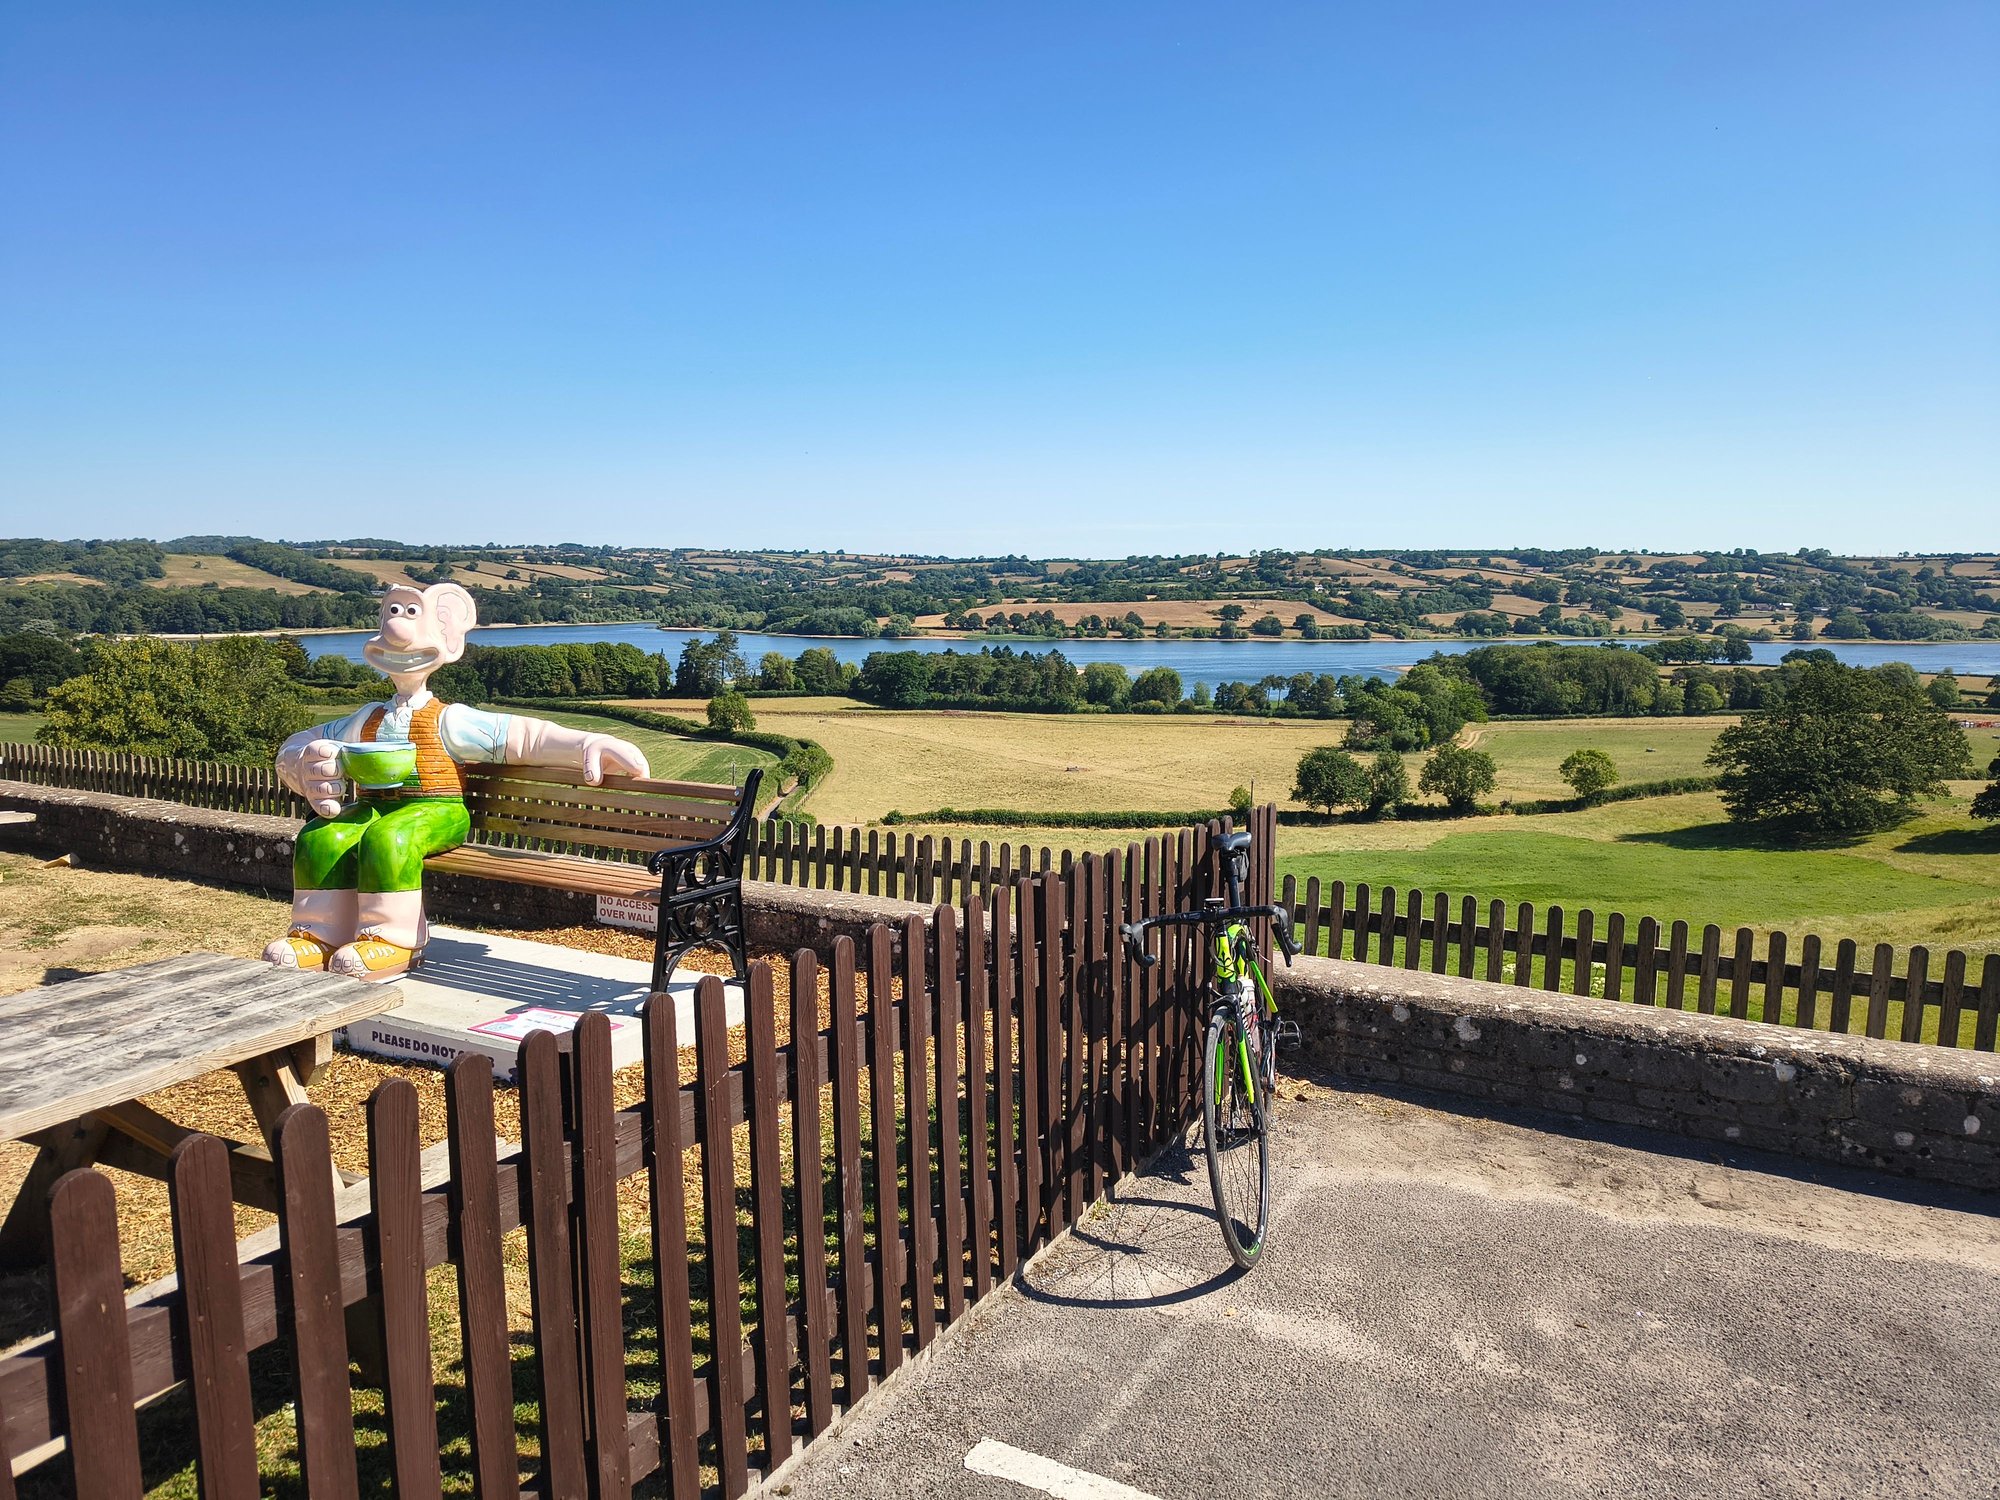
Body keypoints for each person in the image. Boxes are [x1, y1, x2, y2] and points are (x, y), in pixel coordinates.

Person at [264, 581, 649, 978]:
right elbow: (300, 744)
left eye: (411, 615)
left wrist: (587, 743)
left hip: (438, 809)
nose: (398, 630)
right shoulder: (365, 719)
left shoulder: (448, 719)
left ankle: (394, 940)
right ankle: (318, 933)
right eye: (392, 615)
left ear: (446, 637)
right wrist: (304, 761)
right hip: (375, 805)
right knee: (321, 836)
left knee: (390, 838)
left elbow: (522, 737)